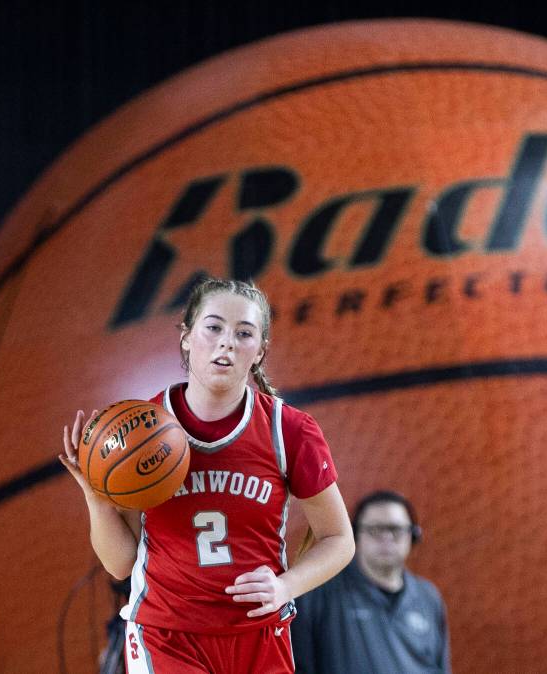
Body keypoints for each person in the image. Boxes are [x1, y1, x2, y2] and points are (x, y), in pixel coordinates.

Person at [59, 277, 355, 674]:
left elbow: (339, 539)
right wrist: (96, 498)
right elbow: (121, 564)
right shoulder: (140, 431)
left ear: (261, 351)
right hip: (166, 636)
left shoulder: (288, 430)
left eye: (244, 333)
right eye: (213, 327)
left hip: (259, 635)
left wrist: (287, 585)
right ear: (186, 337)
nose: (226, 342)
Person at [292, 490, 451, 674]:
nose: (387, 539)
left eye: (396, 530)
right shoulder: (317, 592)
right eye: (375, 530)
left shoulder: (429, 597)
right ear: (355, 535)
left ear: (413, 536)